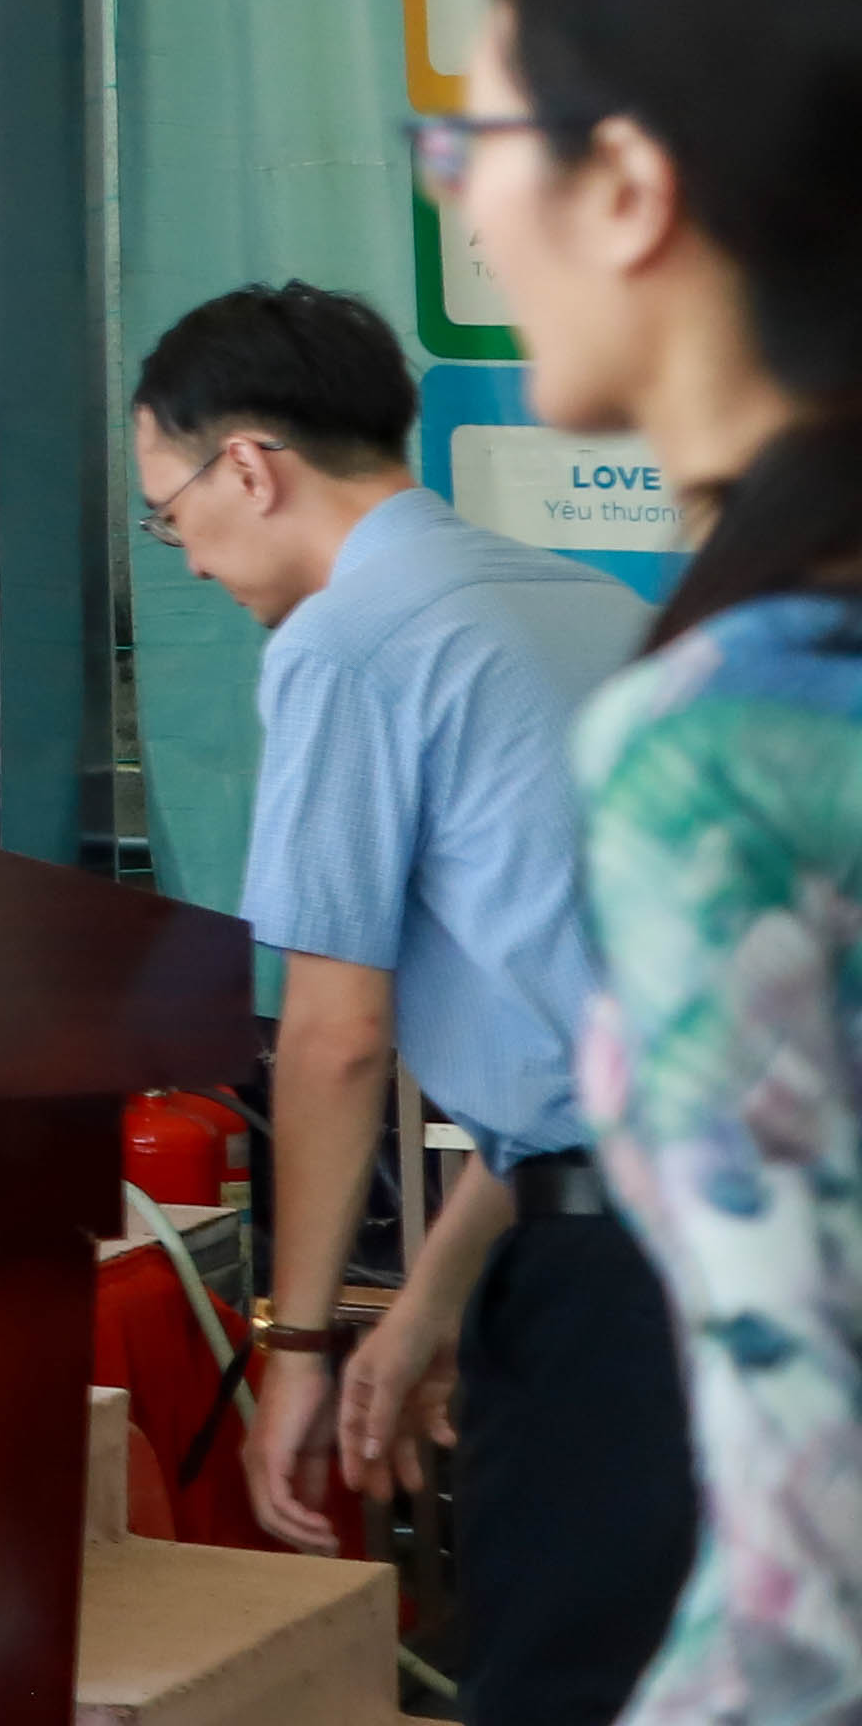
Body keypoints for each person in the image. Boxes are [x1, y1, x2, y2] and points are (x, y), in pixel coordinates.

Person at [132, 272, 685, 1716]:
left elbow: (334, 1036)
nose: (187, 560)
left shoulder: (350, 641)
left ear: (248, 468)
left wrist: (298, 1346)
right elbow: (592, 1047)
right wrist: (431, 1300)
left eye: (169, 513)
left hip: (630, 1290)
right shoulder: (591, 607)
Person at [464, 0, 862, 1725]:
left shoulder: (728, 743)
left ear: (626, 184)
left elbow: (819, 1567)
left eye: (479, 141)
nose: (468, 205)